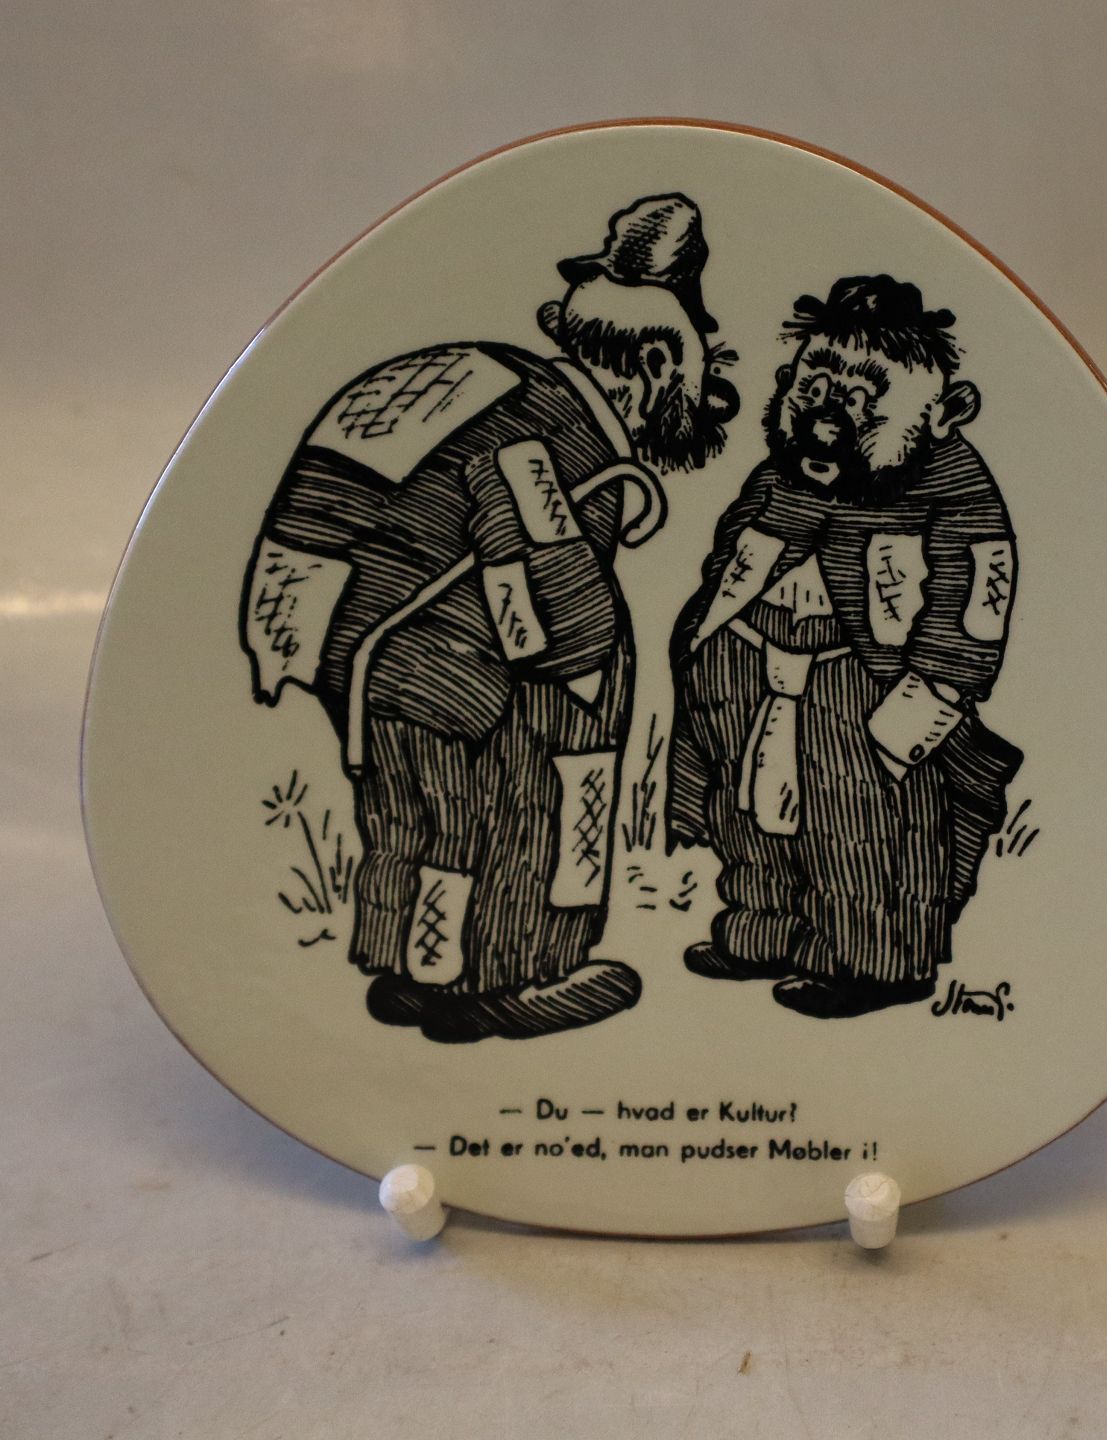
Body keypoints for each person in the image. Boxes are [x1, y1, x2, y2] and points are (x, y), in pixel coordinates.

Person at [242, 194, 739, 1043]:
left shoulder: (487, 374)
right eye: (697, 373)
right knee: (532, 808)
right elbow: (543, 582)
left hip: (349, 649)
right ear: (658, 363)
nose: (699, 397)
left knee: (423, 821)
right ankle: (515, 977)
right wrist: (589, 674)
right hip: (455, 665)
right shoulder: (566, 433)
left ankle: (420, 967)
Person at [667, 274, 1020, 1018]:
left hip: (863, 682)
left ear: (943, 412)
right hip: (748, 664)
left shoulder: (954, 489)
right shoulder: (780, 474)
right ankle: (763, 931)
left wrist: (925, 704)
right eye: (815, 386)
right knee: (749, 818)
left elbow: (975, 601)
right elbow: (731, 553)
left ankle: (875, 962)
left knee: (861, 831)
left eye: (862, 398)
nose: (829, 414)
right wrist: (706, 647)